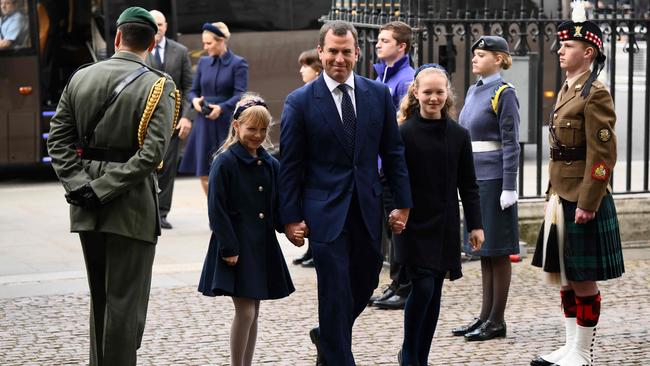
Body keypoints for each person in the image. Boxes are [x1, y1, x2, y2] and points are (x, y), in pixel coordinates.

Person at [46, 7, 178, 365]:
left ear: (117, 38)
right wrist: (104, 187)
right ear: (152, 42)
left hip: (87, 205)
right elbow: (152, 155)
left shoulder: (81, 77)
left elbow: (57, 140)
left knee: (101, 298)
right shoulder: (158, 85)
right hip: (131, 205)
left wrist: (81, 185)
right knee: (124, 303)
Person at [279, 20, 412, 366]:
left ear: (357, 53)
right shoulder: (300, 102)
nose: (339, 59)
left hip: (367, 210)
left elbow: (394, 153)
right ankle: (340, 357)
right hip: (324, 213)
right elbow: (291, 165)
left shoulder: (377, 95)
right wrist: (290, 217)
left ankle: (328, 337)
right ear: (321, 52)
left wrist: (402, 204)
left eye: (346, 52)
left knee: (366, 281)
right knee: (334, 291)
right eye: (332, 51)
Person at [530, 3, 624, 365]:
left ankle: (583, 353)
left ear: (588, 52)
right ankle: (570, 347)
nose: (559, 50)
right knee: (566, 276)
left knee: (582, 278)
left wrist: (589, 201)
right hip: (561, 195)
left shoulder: (595, 92)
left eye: (567, 46)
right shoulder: (570, 89)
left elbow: (603, 158)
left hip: (581, 199)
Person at [395, 63, 484, 366]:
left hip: (444, 224)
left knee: (434, 293)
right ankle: (409, 354)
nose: (433, 98)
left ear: (447, 94)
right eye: (428, 92)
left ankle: (422, 357)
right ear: (416, 93)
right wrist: (393, 213)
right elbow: (390, 180)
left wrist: (476, 225)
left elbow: (468, 184)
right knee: (421, 287)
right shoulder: (403, 134)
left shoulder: (459, 135)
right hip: (413, 223)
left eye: (439, 92)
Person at [198, 93, 295, 366]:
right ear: (236, 126)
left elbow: (276, 206)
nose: (257, 135)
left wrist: (290, 227)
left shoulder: (271, 164)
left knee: (254, 311)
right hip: (236, 246)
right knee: (246, 312)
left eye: (263, 130)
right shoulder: (225, 162)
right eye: (251, 129)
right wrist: (229, 247)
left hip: (261, 246)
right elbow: (216, 210)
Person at [454, 35, 520, 342]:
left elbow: (511, 143)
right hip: (476, 178)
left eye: (482, 54)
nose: (475, 58)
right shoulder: (472, 90)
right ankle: (484, 316)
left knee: (498, 251)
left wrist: (510, 186)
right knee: (484, 251)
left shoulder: (504, 93)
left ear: (499, 59)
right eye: (475, 54)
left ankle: (497, 320)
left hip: (495, 180)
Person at [370, 20, 415, 311]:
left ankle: (405, 285)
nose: (377, 44)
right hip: (378, 165)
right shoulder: (380, 79)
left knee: (400, 229)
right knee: (389, 231)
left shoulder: (406, 79)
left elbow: (402, 127)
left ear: (402, 46)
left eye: (384, 40)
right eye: (378, 39)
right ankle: (396, 282)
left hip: (394, 166)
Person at [179, 21, 248, 195]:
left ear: (221, 41)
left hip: (226, 122)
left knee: (229, 171)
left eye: (209, 43)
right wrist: (194, 101)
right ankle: (214, 211)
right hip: (204, 122)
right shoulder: (203, 62)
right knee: (204, 172)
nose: (205, 47)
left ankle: (229, 211)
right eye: (204, 42)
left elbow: (240, 95)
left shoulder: (238, 63)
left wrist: (221, 108)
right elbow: (193, 90)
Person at [146, 9, 193, 229]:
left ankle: (162, 213)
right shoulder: (140, 49)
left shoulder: (180, 51)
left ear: (166, 26)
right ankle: (148, 210)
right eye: (154, 24)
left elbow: (188, 86)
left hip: (173, 122)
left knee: (168, 169)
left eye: (161, 24)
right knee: (147, 167)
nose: (158, 28)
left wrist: (185, 117)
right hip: (146, 122)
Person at [291, 48, 323, 268]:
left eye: (305, 66)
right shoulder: (303, 93)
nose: (302, 70)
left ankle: (314, 250)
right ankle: (311, 250)